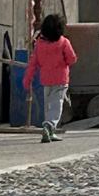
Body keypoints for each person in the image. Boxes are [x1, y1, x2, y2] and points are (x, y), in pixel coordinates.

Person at [23, 14, 77, 142]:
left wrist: (27, 80)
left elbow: (32, 64)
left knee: (48, 106)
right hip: (61, 80)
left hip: (46, 80)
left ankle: (50, 132)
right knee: (56, 106)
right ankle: (49, 125)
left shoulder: (39, 45)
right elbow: (72, 59)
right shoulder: (64, 42)